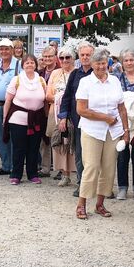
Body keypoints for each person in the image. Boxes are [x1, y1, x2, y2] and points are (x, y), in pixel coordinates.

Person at [74, 48, 129, 219]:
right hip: (92, 130)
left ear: (108, 64)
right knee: (91, 166)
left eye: (103, 63)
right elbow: (81, 110)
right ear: (92, 64)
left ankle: (100, 204)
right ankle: (81, 204)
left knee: (108, 168)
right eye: (97, 63)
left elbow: (121, 107)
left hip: (113, 131)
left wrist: (126, 131)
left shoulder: (115, 81)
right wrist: (104, 117)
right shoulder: (85, 82)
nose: (101, 66)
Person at [4, 53, 47, 184]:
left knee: (34, 148)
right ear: (22, 65)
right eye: (27, 62)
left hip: (36, 120)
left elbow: (45, 101)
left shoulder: (41, 80)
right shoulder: (16, 80)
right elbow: (8, 100)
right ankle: (16, 175)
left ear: (36, 64)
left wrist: (45, 118)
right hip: (18, 120)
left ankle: (32, 174)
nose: (29, 64)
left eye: (32, 62)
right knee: (18, 148)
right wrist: (5, 119)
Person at [59, 41, 95, 196]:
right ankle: (81, 184)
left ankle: (97, 186)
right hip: (78, 122)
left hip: (95, 122)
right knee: (80, 154)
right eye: (83, 55)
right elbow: (66, 97)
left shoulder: (98, 73)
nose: (85, 57)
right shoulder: (75, 74)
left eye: (88, 55)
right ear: (79, 56)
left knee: (94, 156)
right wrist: (63, 118)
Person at [0, 39, 22, 176]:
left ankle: (15, 165)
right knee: (0, 135)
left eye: (7, 49)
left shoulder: (18, 64)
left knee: (14, 135)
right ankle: (5, 165)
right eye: (1, 49)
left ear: (12, 50)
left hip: (13, 106)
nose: (4, 51)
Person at [115, 49, 134, 200]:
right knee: (122, 155)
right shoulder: (117, 78)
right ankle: (122, 187)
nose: (129, 63)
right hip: (123, 121)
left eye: (131, 60)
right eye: (125, 60)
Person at [47, 48, 77, 187]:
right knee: (59, 142)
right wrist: (60, 98)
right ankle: (64, 174)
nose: (65, 60)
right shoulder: (55, 73)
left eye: (68, 57)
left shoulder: (77, 73)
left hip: (74, 112)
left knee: (73, 142)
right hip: (56, 112)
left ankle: (77, 174)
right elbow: (47, 95)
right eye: (62, 58)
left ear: (73, 58)